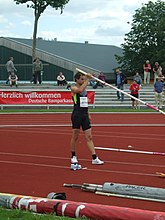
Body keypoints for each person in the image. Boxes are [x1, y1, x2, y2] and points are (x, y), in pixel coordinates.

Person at [69, 71, 104, 170]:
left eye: (84, 79)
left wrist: (88, 113)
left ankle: (94, 157)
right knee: (75, 136)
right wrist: (88, 79)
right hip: (77, 114)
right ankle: (73, 156)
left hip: (84, 114)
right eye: (81, 79)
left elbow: (84, 101)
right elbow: (79, 90)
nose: (83, 80)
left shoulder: (84, 89)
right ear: (76, 79)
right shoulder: (73, 88)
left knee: (89, 137)